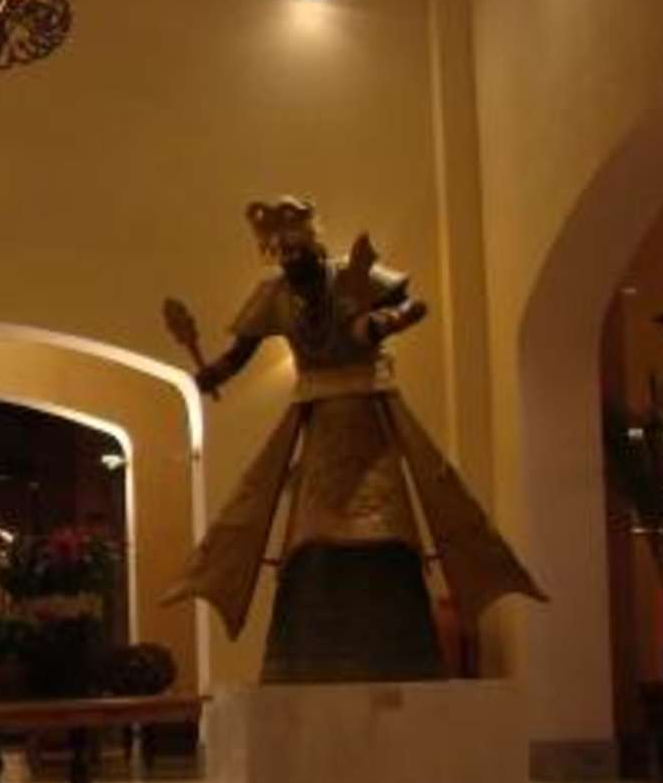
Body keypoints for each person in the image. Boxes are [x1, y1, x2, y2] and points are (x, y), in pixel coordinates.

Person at [165, 196, 542, 682]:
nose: (289, 258)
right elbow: (240, 352)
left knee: (386, 519)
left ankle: (401, 645)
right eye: (281, 252)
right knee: (310, 529)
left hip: (368, 421)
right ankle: (309, 650)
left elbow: (414, 304)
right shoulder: (274, 294)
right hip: (319, 425)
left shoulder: (351, 277)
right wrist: (211, 372)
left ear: (313, 243)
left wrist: (380, 323)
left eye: (296, 248)